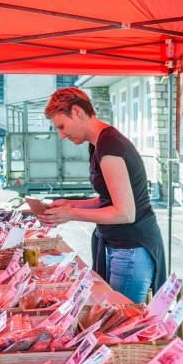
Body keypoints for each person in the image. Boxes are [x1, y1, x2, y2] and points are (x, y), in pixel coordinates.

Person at [40, 88, 166, 303]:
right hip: (121, 246)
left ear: (77, 112)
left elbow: (124, 213)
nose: (61, 135)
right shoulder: (98, 144)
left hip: (131, 248)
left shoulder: (109, 145)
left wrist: (71, 214)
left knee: (122, 323)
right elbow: (106, 200)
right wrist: (70, 203)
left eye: (61, 127)